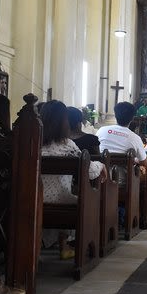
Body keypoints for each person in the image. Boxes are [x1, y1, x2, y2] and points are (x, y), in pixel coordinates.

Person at [40, 100, 108, 260]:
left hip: (33, 199)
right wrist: (101, 165)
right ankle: (74, 245)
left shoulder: (33, 143)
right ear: (64, 122)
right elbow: (90, 171)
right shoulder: (67, 145)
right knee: (86, 200)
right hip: (61, 200)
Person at [96, 102, 147, 170]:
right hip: (124, 177)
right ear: (132, 118)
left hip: (101, 173)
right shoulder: (135, 138)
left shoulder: (101, 131)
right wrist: (134, 160)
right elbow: (144, 162)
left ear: (115, 115)